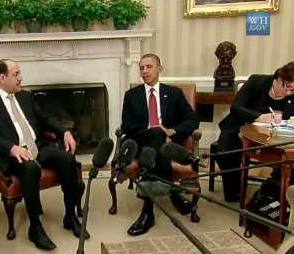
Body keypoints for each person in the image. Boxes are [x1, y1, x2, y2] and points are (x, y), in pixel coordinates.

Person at [0, 59, 86, 250]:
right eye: (16, 74)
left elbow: (44, 118)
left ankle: (70, 216)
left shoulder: (25, 96)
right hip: (10, 154)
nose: (21, 78)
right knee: (30, 168)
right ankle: (35, 227)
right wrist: (11, 148)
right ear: (2, 77)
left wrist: (63, 132)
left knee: (67, 159)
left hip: (35, 147)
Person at [121, 53, 200, 236]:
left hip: (168, 143)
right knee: (156, 136)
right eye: (141, 68)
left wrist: (173, 132)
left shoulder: (174, 93)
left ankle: (148, 212)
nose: (144, 71)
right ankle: (173, 192)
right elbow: (127, 125)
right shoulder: (131, 95)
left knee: (156, 148)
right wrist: (154, 132)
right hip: (141, 142)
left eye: (149, 67)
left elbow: (192, 119)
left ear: (160, 69)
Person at [216, 62, 294, 202]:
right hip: (237, 127)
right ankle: (235, 192)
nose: (289, 92)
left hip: (273, 136)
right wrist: (259, 116)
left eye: (293, 90)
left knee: (287, 158)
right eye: (288, 87)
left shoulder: (291, 96)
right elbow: (236, 108)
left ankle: (277, 192)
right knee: (224, 153)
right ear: (279, 78)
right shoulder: (257, 81)